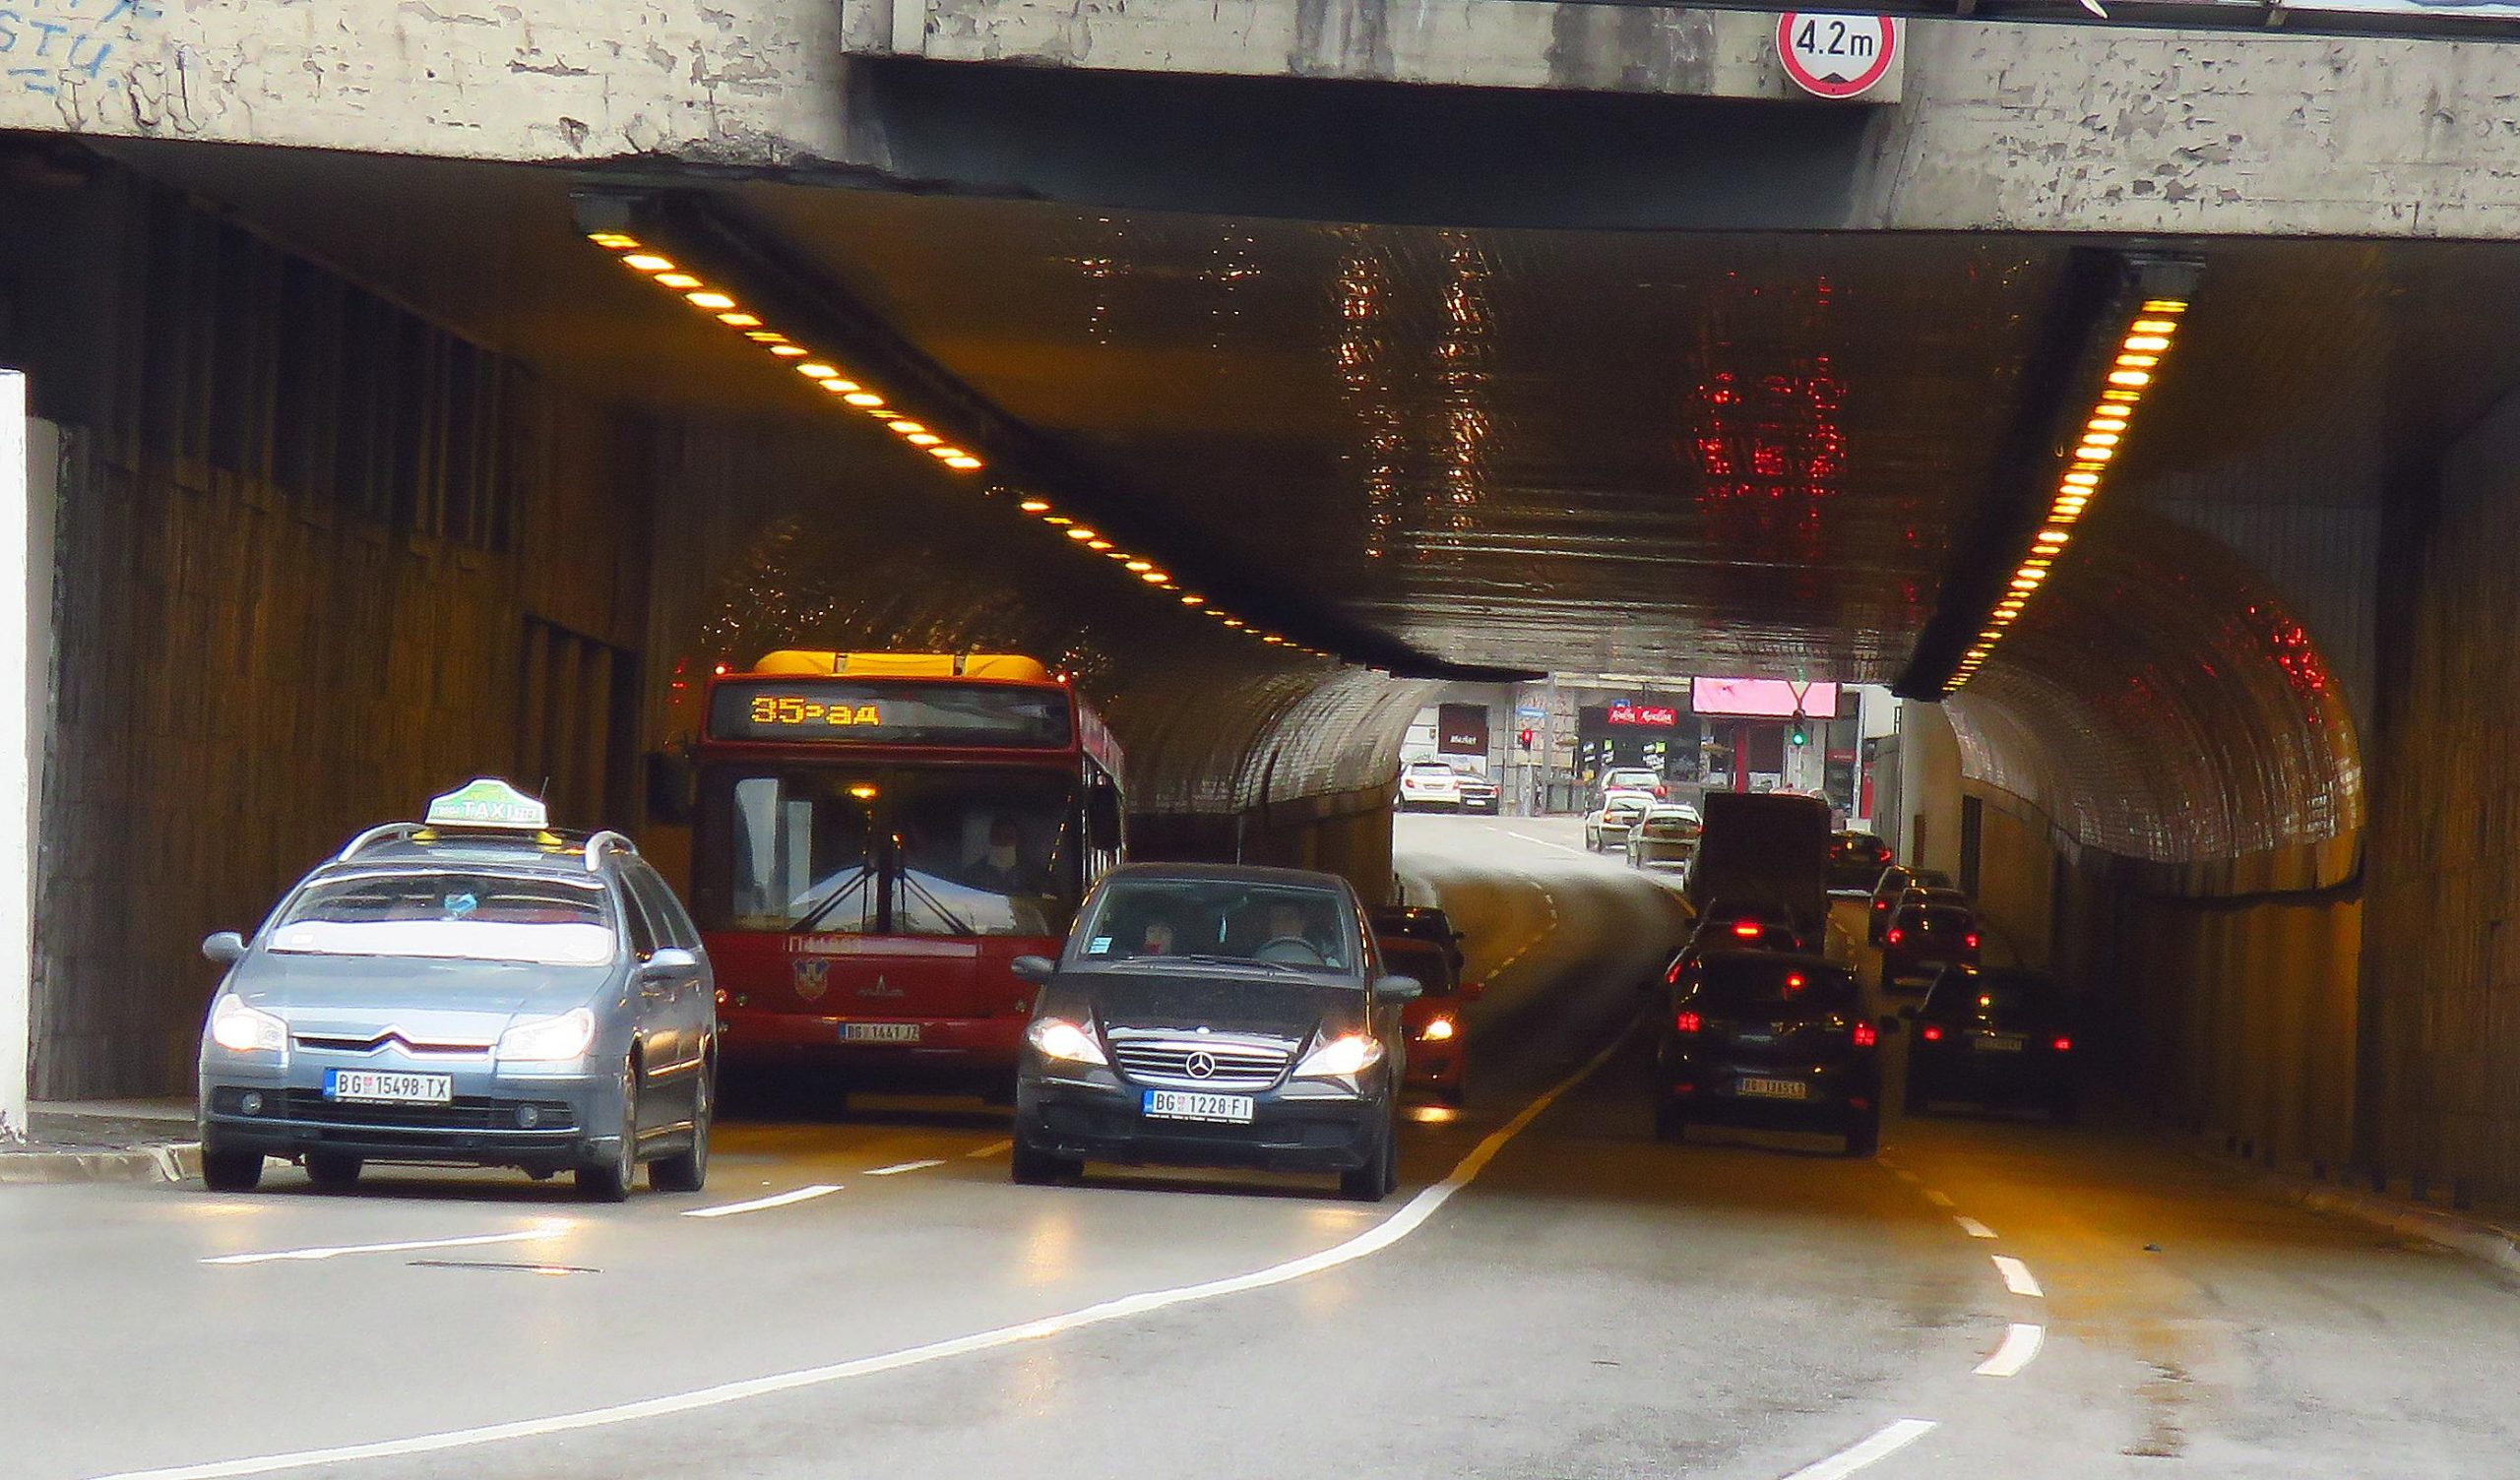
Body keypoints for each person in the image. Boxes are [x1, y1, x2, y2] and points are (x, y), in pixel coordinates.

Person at [968, 818, 1045, 895]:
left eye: (1008, 837)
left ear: (1017, 840)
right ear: (990, 838)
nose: (1002, 841)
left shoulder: (1033, 873)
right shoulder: (973, 873)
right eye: (997, 836)